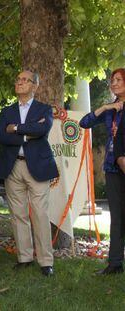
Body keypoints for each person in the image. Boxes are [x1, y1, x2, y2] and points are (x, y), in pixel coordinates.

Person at [0, 70, 59, 277]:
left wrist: (15, 128)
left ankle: (45, 261)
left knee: (40, 214)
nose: (20, 82)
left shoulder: (45, 109)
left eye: (25, 80)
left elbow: (42, 130)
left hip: (38, 167)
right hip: (13, 167)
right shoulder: (7, 111)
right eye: (18, 79)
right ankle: (24, 258)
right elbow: (0, 136)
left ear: (35, 86)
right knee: (18, 214)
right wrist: (26, 134)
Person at [81, 68, 125, 274]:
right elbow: (84, 122)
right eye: (112, 80)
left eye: (118, 80)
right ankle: (115, 264)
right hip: (112, 168)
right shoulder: (110, 110)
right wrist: (107, 106)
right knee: (116, 218)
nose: (114, 83)